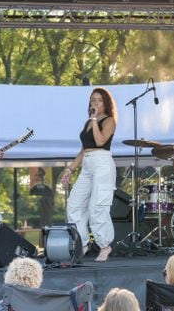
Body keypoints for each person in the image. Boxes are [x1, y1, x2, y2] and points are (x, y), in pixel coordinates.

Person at [61, 87, 117, 262]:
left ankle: (105, 245)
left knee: (97, 207)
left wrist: (94, 119)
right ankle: (83, 242)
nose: (95, 103)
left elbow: (100, 141)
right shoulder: (88, 122)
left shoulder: (109, 121)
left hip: (102, 163)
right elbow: (84, 150)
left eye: (99, 100)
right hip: (87, 164)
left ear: (105, 103)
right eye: (92, 100)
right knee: (74, 205)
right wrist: (69, 169)